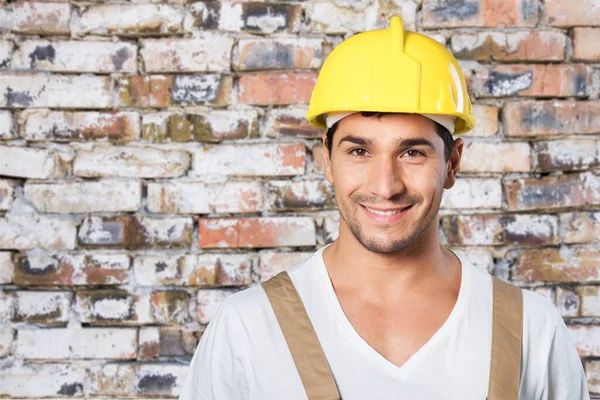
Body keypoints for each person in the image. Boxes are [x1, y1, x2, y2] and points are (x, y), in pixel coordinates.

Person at [179, 16, 589, 399]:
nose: (385, 186)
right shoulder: (248, 327)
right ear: (327, 159)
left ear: (452, 163)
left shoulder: (531, 328)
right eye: (359, 150)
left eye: (412, 153)